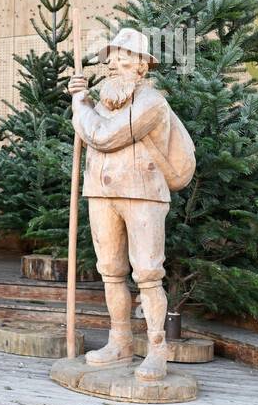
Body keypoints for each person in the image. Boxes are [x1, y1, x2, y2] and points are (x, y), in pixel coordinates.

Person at [69, 26, 195, 382]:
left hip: (143, 195)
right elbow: (94, 131)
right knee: (110, 270)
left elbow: (104, 136)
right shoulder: (103, 102)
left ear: (141, 67)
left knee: (148, 274)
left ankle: (157, 350)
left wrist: (80, 105)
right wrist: (85, 102)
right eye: (110, 64)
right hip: (101, 193)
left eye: (122, 62)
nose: (112, 68)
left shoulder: (151, 103)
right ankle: (120, 341)